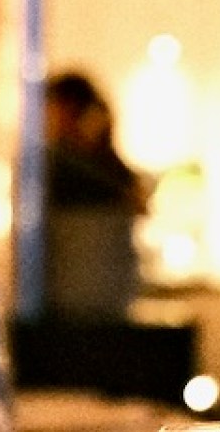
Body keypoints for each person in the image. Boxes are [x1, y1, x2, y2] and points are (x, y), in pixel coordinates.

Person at [43, 71, 147, 318]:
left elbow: (134, 198)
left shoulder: (64, 161)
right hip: (97, 295)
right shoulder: (65, 162)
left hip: (84, 296)